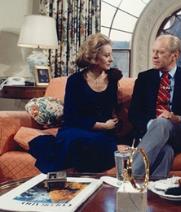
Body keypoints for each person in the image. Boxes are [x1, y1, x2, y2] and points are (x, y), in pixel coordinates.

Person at [29, 33, 122, 173]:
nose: (111, 59)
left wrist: (114, 120)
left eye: (111, 55)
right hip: (77, 127)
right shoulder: (75, 80)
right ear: (94, 58)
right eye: (107, 55)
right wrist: (102, 125)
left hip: (103, 135)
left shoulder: (113, 79)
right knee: (73, 139)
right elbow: (71, 116)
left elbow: (112, 109)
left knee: (96, 143)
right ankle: (64, 181)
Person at [128, 34, 181, 178]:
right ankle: (154, 193)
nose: (154, 56)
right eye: (153, 51)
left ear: (175, 55)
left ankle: (130, 176)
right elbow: (134, 114)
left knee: (164, 123)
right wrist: (152, 125)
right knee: (166, 151)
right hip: (151, 133)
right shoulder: (144, 78)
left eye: (160, 52)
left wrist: (178, 119)